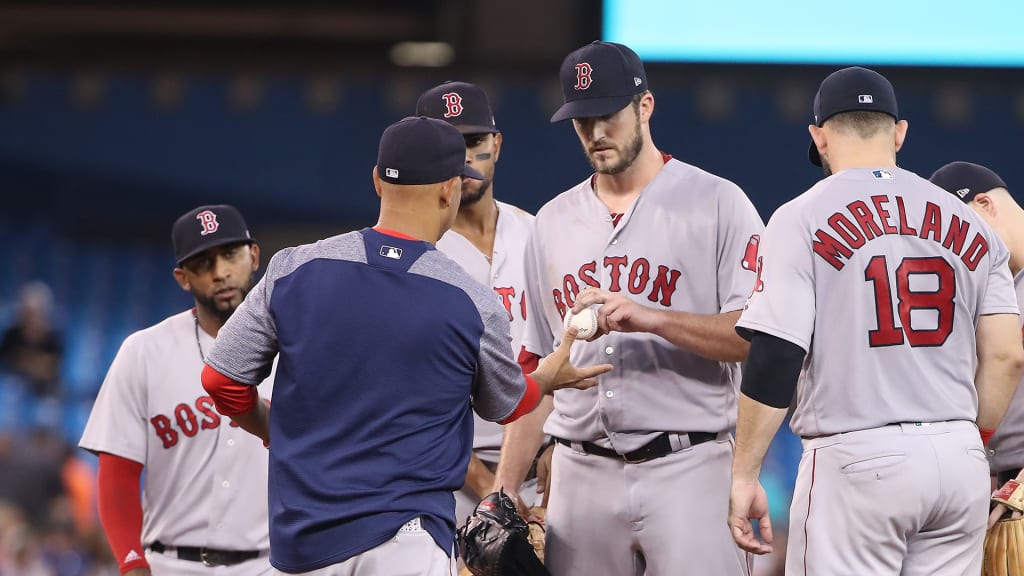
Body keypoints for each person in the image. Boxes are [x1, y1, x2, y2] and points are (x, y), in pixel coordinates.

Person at [199, 116, 612, 576]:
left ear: (377, 181)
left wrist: (271, 428)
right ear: (449, 190)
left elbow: (219, 380)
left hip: (303, 541)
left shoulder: (295, 268)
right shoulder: (470, 299)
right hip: (405, 543)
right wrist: (548, 377)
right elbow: (508, 404)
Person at [729, 67, 1024, 575]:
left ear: (819, 138)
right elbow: (1004, 355)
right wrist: (970, 444)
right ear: (900, 133)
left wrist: (744, 475)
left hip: (857, 460)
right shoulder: (971, 224)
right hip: (957, 460)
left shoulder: (801, 216)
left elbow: (777, 354)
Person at [492, 40, 765, 576]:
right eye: (581, 120)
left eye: (607, 116)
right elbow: (537, 365)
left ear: (645, 107)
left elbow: (754, 337)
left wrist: (651, 317)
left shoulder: (717, 202)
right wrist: (503, 490)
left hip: (689, 464)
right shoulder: (552, 222)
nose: (595, 133)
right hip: (579, 470)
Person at [79, 205, 273, 575]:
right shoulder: (144, 353)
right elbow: (118, 472)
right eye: (203, 264)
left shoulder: (298, 350)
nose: (220, 273)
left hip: (270, 565)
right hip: (170, 563)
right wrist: (131, 561)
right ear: (183, 277)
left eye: (230, 255)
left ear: (253, 256)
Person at [415, 81, 547, 526]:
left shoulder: (538, 235)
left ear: (498, 144)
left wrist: (556, 448)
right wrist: (492, 488)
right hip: (446, 481)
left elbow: (567, 354)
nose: (464, 158)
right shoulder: (414, 256)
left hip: (547, 472)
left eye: (473, 142)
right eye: (448, 145)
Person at [930, 161, 1024, 526]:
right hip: (1003, 483)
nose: (959, 249)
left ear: (984, 205)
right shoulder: (1001, 286)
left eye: (962, 230)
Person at [0, 281, 63, 399]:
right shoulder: (11, 334)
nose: (30, 318)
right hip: (12, 390)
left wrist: (22, 360)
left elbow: (52, 368)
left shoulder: (53, 338)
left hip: (42, 391)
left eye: (34, 313)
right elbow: (5, 363)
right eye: (26, 312)